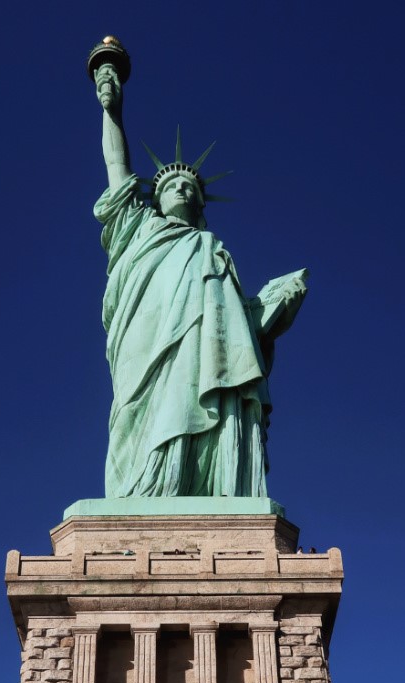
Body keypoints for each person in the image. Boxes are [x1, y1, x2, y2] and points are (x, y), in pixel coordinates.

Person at [92, 60, 307, 499]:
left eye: (191, 188)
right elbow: (116, 166)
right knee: (140, 414)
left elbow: (238, 334)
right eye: (171, 186)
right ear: (155, 198)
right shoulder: (137, 229)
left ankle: (203, 488)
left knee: (201, 398)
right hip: (145, 344)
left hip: (202, 352)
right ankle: (144, 493)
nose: (182, 191)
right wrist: (111, 110)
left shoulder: (214, 250)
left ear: (201, 203)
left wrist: (271, 308)